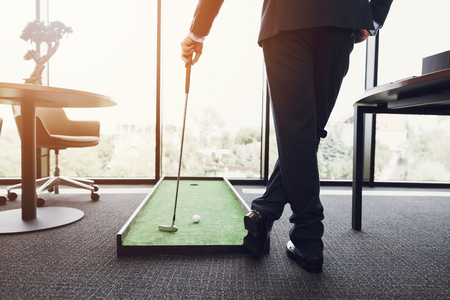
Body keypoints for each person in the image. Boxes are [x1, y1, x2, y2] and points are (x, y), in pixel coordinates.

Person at [181, 0, 392, 273]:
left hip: (287, 18)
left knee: (301, 132)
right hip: (340, 17)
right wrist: (371, 17)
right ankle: (275, 216)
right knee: (307, 132)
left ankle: (306, 233)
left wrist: (197, 32)